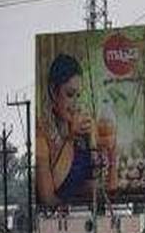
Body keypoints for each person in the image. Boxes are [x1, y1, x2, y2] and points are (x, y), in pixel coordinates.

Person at [35, 52, 118, 207]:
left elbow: (103, 188)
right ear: (53, 91)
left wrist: (112, 156)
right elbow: (48, 197)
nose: (75, 103)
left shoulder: (87, 124)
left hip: (91, 214)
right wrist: (70, 138)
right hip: (60, 222)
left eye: (78, 95)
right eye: (70, 94)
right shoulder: (42, 132)